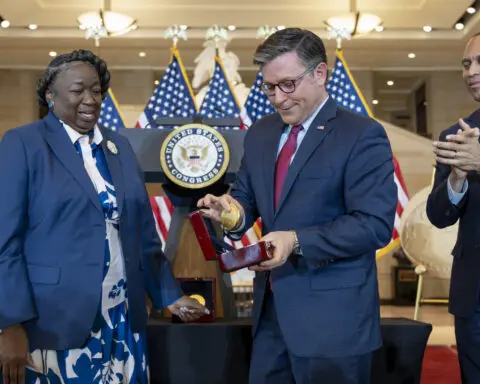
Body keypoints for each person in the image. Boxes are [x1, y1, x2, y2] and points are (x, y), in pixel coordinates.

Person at [198, 28, 398, 384]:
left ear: (319, 73)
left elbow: (373, 225)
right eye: (269, 87)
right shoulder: (260, 134)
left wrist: (295, 239)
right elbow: (246, 198)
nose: (277, 98)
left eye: (287, 84)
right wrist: (228, 211)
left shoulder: (362, 134)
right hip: (270, 316)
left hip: (333, 323)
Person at [0, 49, 208, 384]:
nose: (90, 99)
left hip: (121, 318)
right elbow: (4, 241)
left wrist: (169, 294)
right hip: (52, 323)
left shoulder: (118, 146)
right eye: (78, 90)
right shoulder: (23, 144)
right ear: (51, 96)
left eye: (96, 90)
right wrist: (8, 323)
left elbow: (142, 232)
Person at [427, 32, 480, 383]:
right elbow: (438, 215)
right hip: (473, 299)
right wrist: (457, 179)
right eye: (466, 63)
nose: (471, 71)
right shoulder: (457, 134)